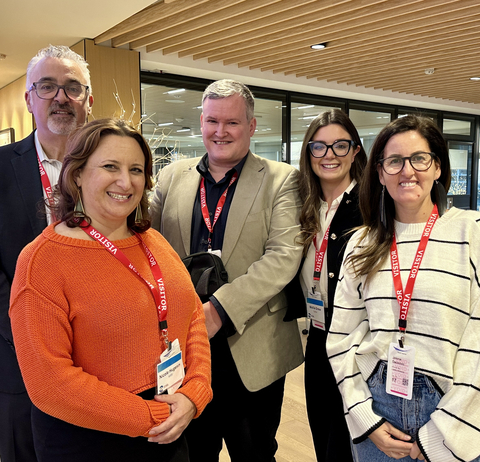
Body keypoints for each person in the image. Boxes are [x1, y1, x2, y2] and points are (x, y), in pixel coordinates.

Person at [9, 118, 212, 462]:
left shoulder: (153, 241)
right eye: (109, 166)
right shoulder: (41, 262)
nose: (125, 180)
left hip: (171, 422)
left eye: (136, 169)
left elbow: (192, 315)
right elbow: (51, 384)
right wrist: (151, 417)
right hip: (89, 440)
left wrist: (195, 392)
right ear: (76, 175)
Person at [150, 79, 304, 462]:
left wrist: (218, 310)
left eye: (232, 122)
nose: (221, 132)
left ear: (251, 126)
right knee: (194, 450)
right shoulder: (171, 176)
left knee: (254, 451)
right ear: (201, 121)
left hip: (251, 344)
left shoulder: (282, 179)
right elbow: (143, 235)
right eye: (212, 121)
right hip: (183, 346)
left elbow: (283, 256)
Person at [326, 115, 480, 462]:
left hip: (457, 416)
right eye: (394, 161)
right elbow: (341, 340)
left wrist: (441, 434)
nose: (407, 171)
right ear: (380, 173)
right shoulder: (361, 243)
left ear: (438, 167)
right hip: (378, 414)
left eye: (419, 159)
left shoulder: (471, 233)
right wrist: (364, 419)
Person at [0, 44, 93, 462]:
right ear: (29, 98)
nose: (61, 97)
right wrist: (28, 328)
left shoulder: (111, 168)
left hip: (98, 357)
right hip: (19, 358)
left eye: (73, 87)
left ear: (89, 100)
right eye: (48, 86)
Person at [297, 109, 366, 461]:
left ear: (355, 150)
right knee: (323, 437)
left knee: (350, 442)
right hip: (317, 333)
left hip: (359, 341)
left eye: (340, 145)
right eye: (319, 147)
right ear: (308, 154)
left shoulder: (373, 205)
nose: (330, 156)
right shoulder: (303, 206)